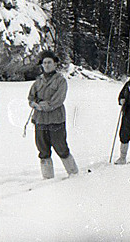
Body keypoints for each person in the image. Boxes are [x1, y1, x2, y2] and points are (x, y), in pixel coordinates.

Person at [28, 50, 78, 179]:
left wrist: (44, 105)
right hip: (40, 120)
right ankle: (47, 178)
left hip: (55, 120)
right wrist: (34, 104)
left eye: (49, 62)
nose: (47, 65)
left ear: (55, 64)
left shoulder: (60, 81)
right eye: (44, 63)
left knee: (61, 147)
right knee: (42, 149)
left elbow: (58, 99)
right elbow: (31, 97)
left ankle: (74, 174)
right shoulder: (38, 82)